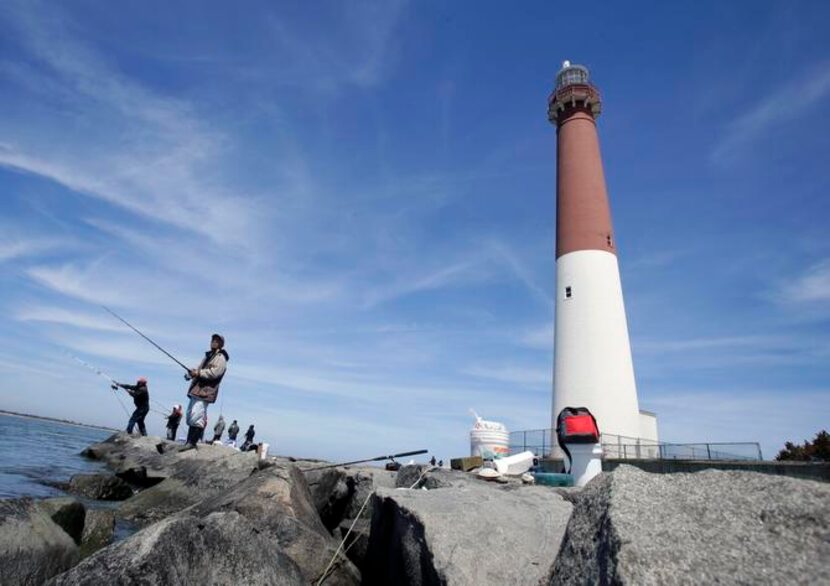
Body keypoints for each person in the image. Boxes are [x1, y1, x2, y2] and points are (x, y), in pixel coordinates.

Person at [181, 334, 229, 451]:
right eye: (212, 340)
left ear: (221, 344)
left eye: (217, 341)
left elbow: (215, 373)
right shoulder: (208, 356)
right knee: (190, 416)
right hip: (197, 390)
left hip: (206, 391)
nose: (213, 342)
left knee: (197, 416)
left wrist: (198, 373)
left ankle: (192, 443)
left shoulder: (221, 358)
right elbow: (199, 369)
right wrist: (190, 374)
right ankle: (189, 442)